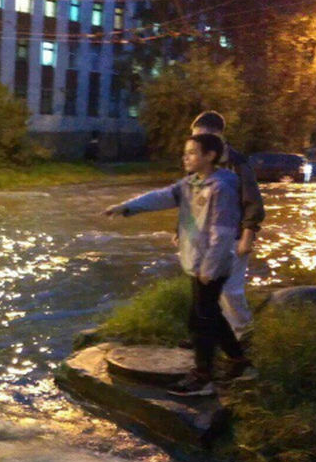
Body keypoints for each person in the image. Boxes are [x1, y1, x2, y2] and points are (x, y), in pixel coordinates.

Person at [103, 134, 252, 397]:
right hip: (197, 261)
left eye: (192, 153)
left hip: (211, 265)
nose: (186, 157)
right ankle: (238, 359)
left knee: (199, 321)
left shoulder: (221, 188)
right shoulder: (191, 184)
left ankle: (202, 375)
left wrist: (210, 266)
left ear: (210, 156)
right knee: (211, 315)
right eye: (185, 152)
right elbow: (160, 197)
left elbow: (223, 232)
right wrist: (127, 207)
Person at [189, 111, 264, 341]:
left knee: (230, 291)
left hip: (232, 237)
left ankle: (245, 335)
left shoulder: (238, 163)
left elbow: (252, 201)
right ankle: (207, 337)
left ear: (218, 135)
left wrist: (248, 236)